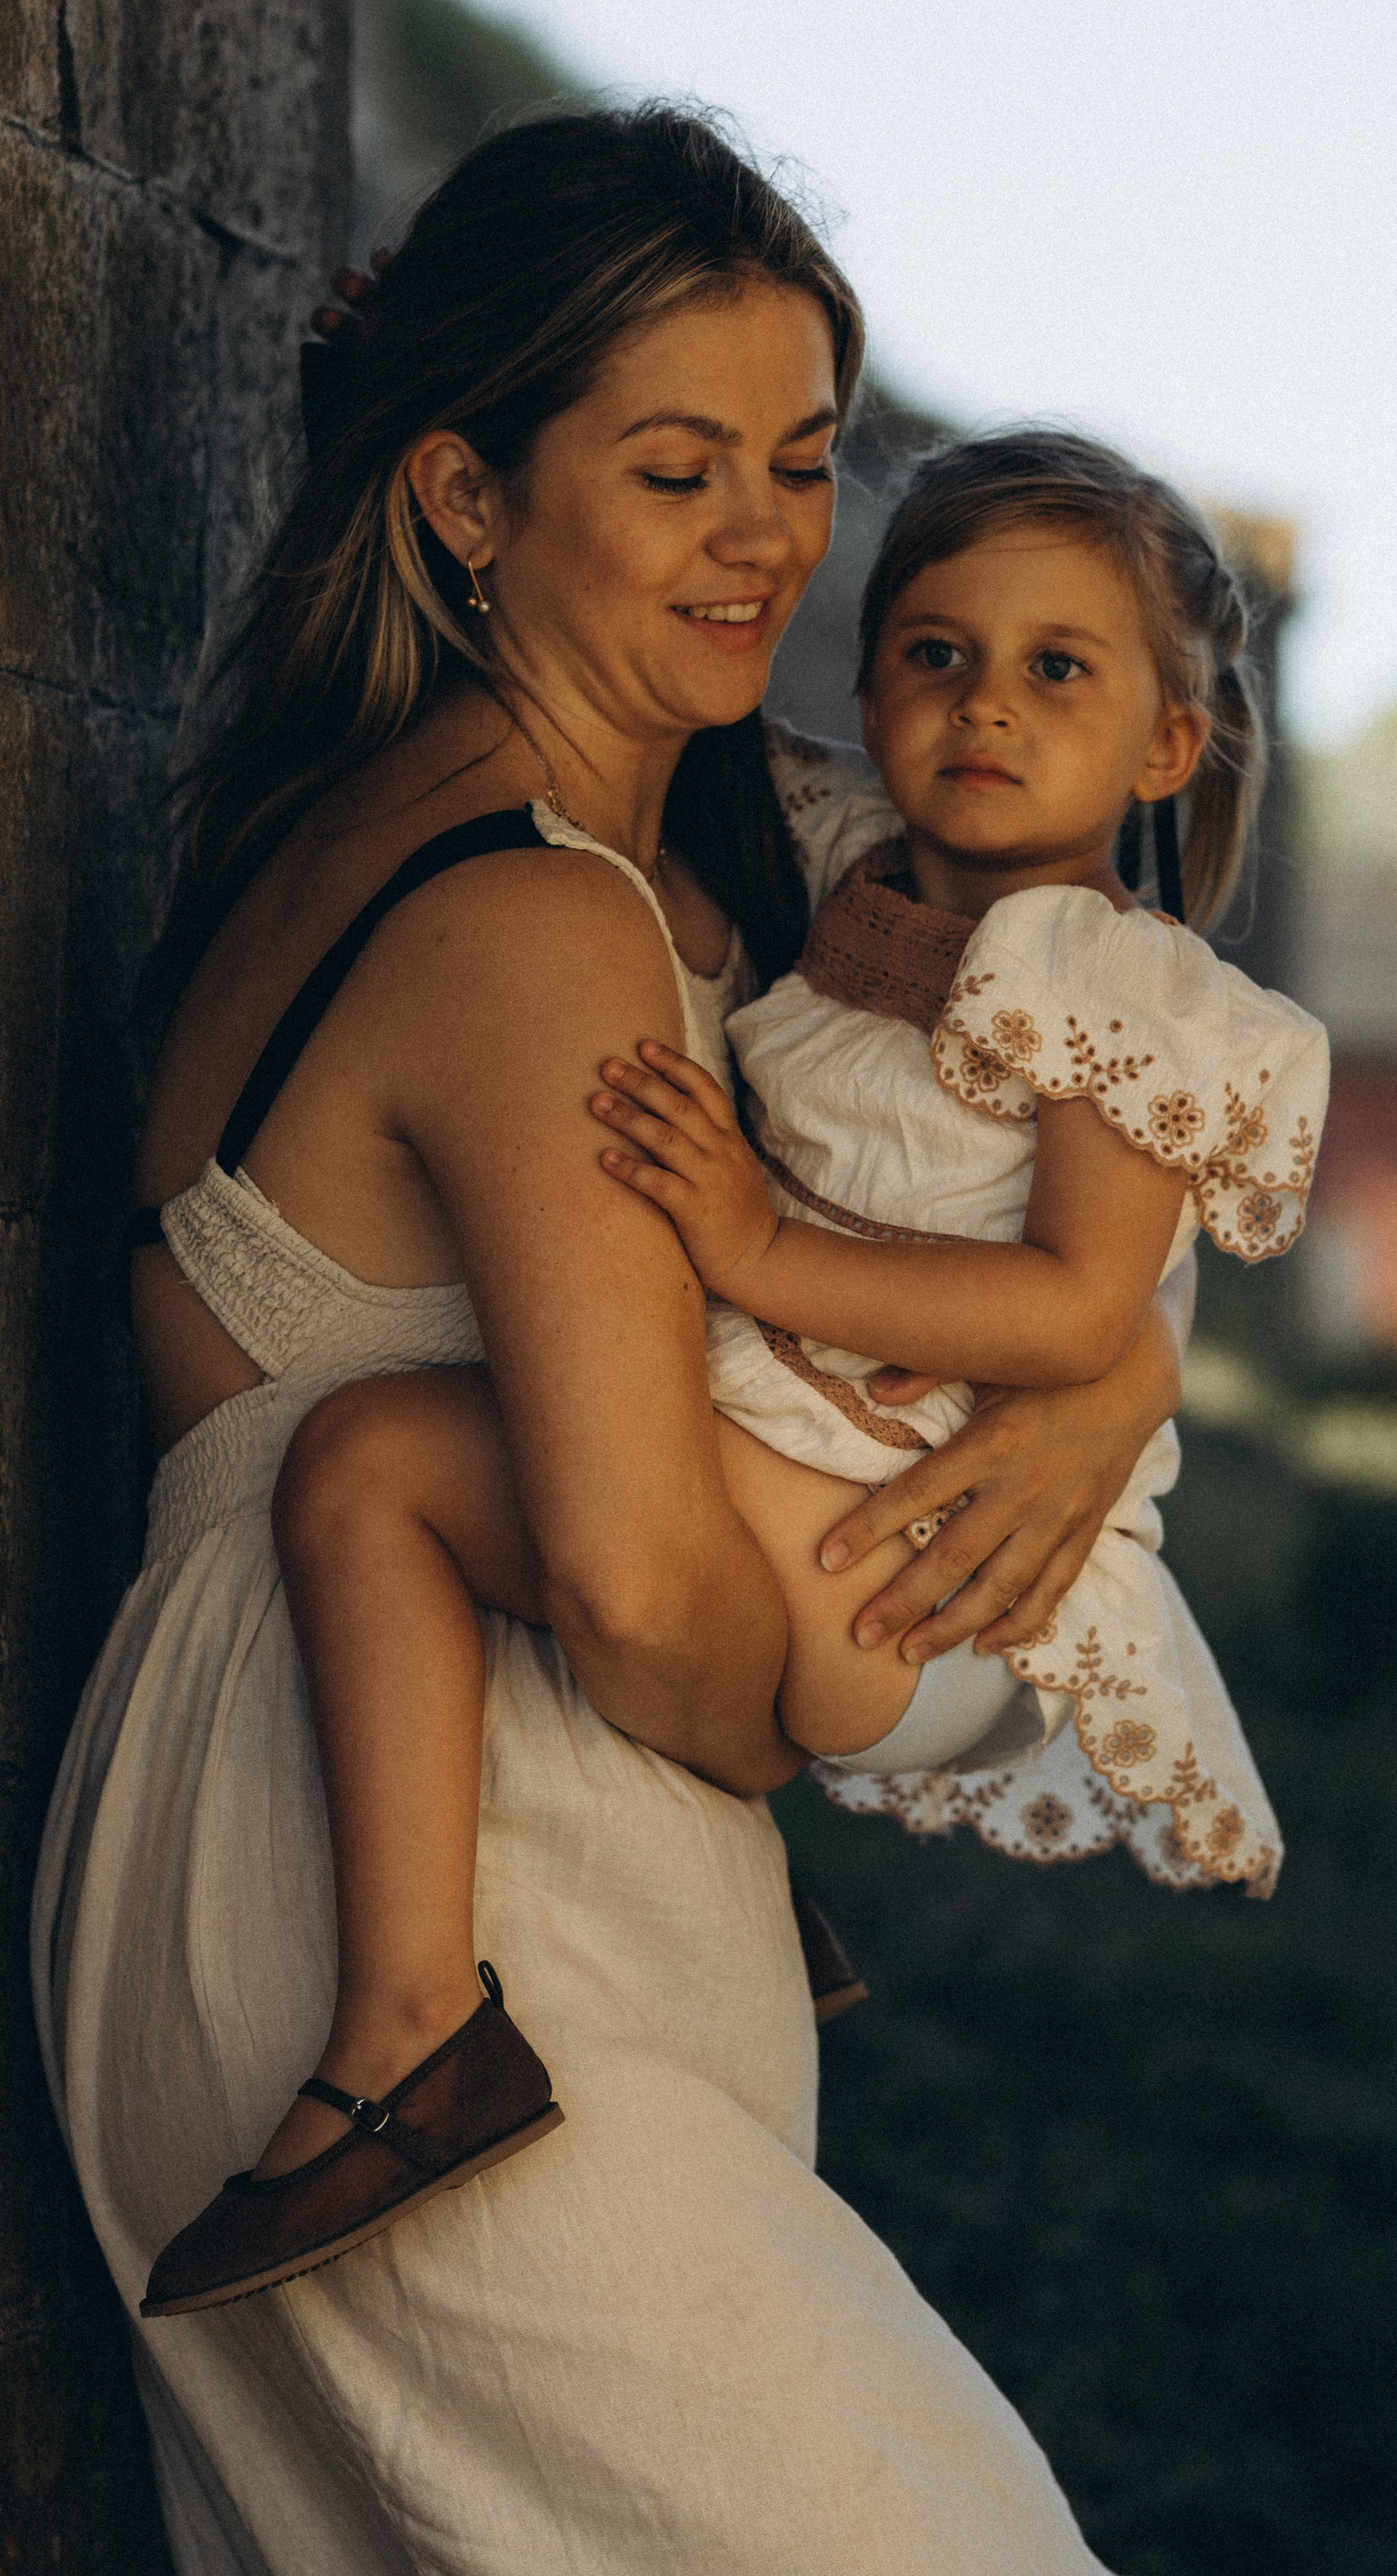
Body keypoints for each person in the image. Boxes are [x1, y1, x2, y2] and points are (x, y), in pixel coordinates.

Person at [32, 106, 1185, 2574]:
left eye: (796, 461)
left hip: (300, 1858)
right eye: (676, 472)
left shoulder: (538, 852)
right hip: (418, 1922)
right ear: (465, 497)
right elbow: (649, 1589)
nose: (769, 537)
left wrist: (1110, 1365)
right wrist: (852, 1705)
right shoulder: (534, 914)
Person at [139, 431, 1327, 2316]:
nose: (983, 710)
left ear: (1166, 749)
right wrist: (380, 389)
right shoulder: (853, 867)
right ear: (861, 686)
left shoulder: (1114, 980)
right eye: (932, 655)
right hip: (837, 1485)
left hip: (926, 1568)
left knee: (370, 1470)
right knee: (470, 1453)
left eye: (1057, 671)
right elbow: (582, 669)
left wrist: (761, 1251)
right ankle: (698, 1917)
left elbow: (1077, 1310)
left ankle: (408, 2032)